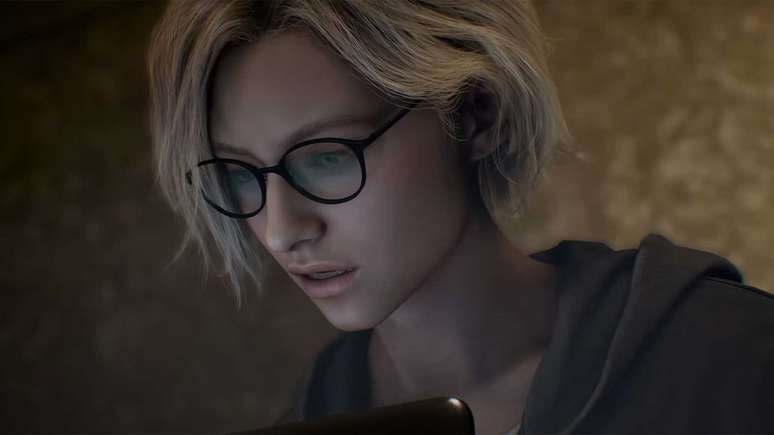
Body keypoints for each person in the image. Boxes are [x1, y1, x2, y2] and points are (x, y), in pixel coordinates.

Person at [146, 1, 774, 434]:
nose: (282, 230)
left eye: (328, 157)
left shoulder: (735, 358)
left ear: (476, 115)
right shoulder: (317, 417)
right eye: (239, 174)